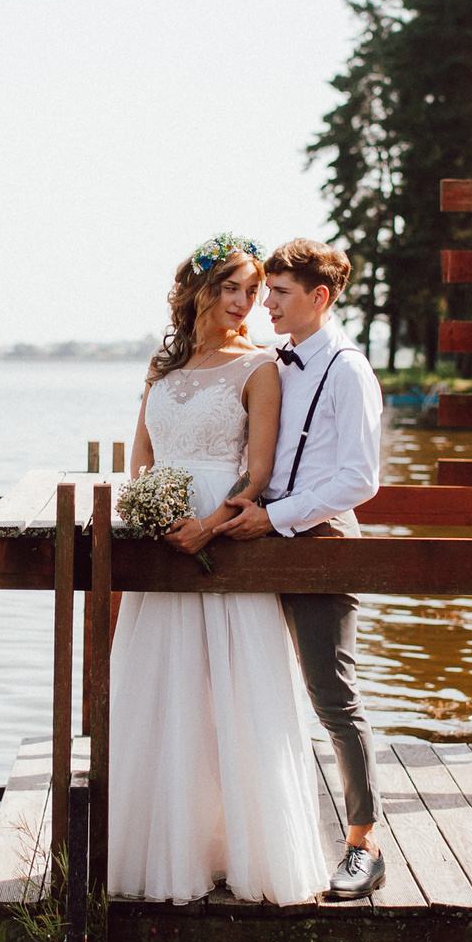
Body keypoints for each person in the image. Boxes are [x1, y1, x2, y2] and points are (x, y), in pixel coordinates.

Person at [105, 233, 327, 906]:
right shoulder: (162, 371)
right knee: (164, 688)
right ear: (200, 290)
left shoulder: (260, 367)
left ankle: (249, 850)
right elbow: (139, 457)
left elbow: (258, 470)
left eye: (253, 291)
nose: (244, 301)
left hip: (220, 536)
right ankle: (172, 848)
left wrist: (208, 522)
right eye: (232, 287)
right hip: (162, 536)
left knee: (236, 686)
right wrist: (149, 511)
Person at [218, 239, 386, 900]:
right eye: (268, 291)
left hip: (318, 540)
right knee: (255, 690)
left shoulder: (348, 371)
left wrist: (279, 514)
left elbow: (360, 478)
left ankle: (364, 843)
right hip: (266, 537)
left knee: (333, 697)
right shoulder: (278, 364)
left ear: (319, 298)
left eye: (280, 294)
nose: (266, 303)